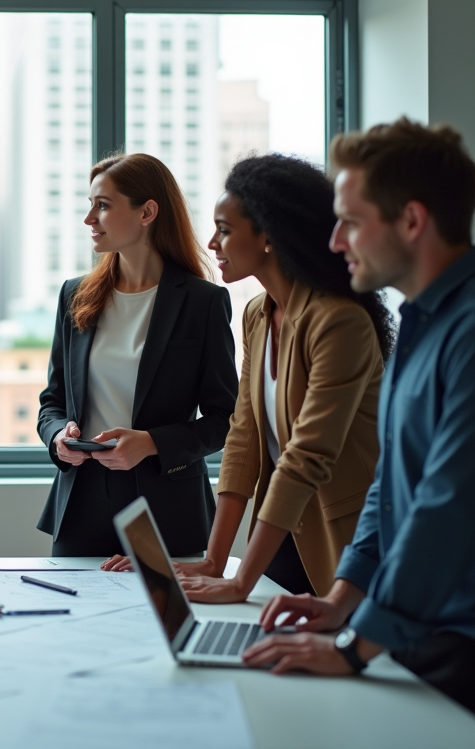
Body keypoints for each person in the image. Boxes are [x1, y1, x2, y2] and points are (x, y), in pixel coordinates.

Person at [242, 120, 475, 749]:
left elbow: (449, 507)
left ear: (412, 221)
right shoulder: (421, 324)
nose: (336, 240)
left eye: (350, 220)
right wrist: (343, 600)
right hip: (415, 628)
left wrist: (354, 645)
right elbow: (390, 490)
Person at [106, 154, 396, 601]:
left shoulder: (340, 322)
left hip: (346, 539)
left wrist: (241, 581)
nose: (212, 243)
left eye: (224, 230)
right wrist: (214, 561)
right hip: (281, 536)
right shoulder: (258, 315)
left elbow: (305, 456)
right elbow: (243, 441)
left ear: (268, 237)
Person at [38, 153, 238, 557]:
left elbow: (224, 420)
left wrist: (150, 443)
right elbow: (52, 401)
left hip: (166, 507)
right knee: (72, 619)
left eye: (103, 206)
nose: (89, 219)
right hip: (81, 502)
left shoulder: (203, 302)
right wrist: (57, 436)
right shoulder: (74, 295)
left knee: (162, 621)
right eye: (89, 205)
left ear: (147, 211)